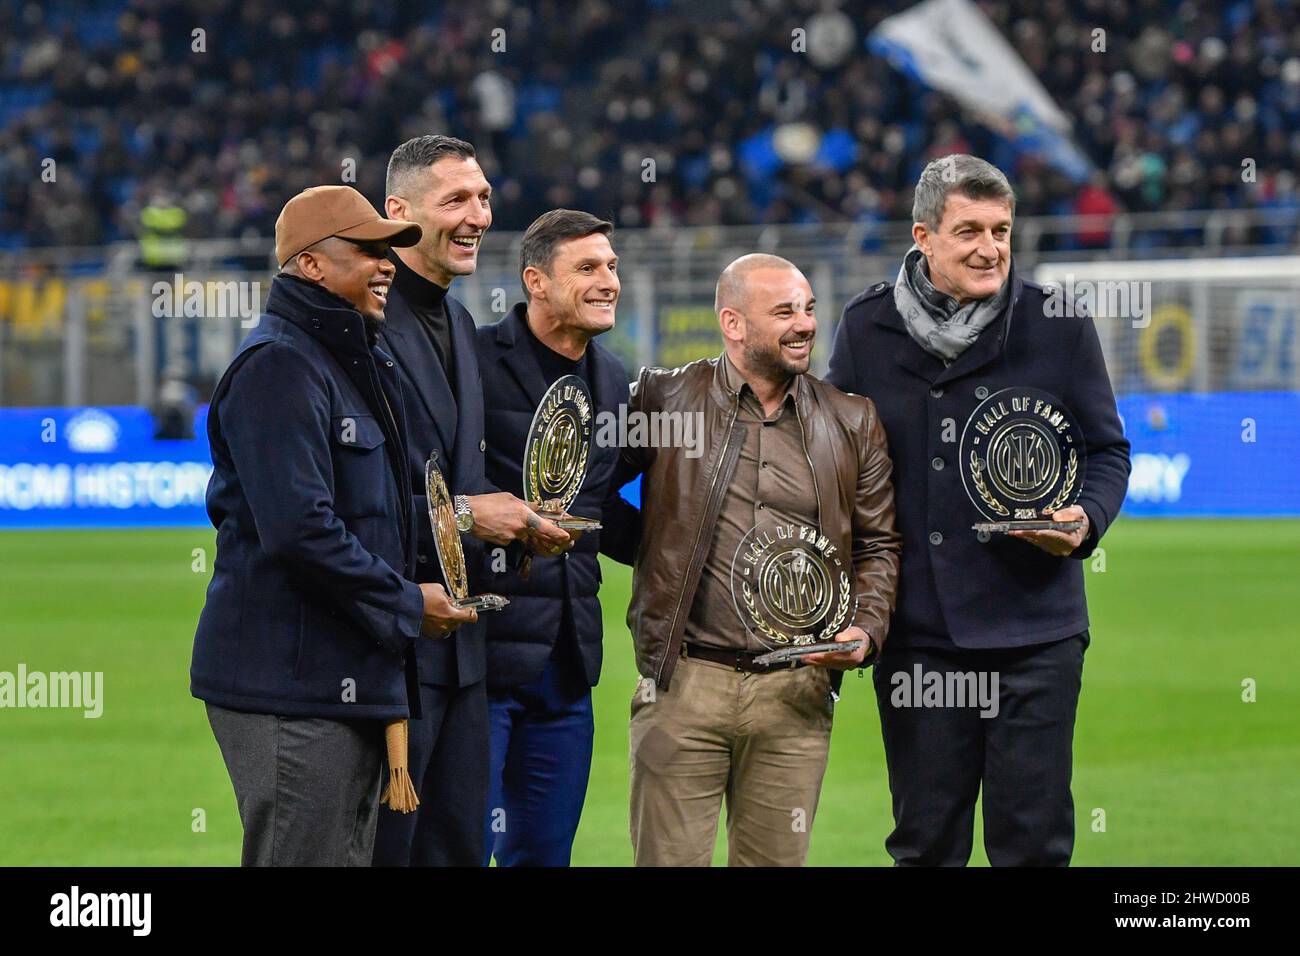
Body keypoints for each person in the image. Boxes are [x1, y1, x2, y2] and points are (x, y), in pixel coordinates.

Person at [827, 154, 1132, 866]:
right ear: (923, 236)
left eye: (1001, 230)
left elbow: (1107, 453)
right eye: (969, 231)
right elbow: (837, 465)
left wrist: (1085, 519)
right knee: (926, 844)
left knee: (1033, 844)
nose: (990, 248)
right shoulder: (868, 328)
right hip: (920, 635)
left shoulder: (1057, 323)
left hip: (1036, 632)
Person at [191, 185, 476, 866]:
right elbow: (300, 532)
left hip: (339, 678)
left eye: (390, 251)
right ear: (310, 265)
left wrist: (459, 521)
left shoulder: (347, 359)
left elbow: (365, 511)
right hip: (291, 688)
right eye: (369, 249)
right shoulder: (279, 367)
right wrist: (408, 601)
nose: (386, 265)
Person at [619, 253, 900, 866]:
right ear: (733, 323)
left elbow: (879, 546)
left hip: (795, 694)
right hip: (684, 686)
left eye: (808, 308)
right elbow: (587, 492)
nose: (804, 324)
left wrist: (868, 629)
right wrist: (650, 543)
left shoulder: (853, 420)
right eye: (784, 312)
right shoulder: (664, 400)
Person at [372, 135, 573, 867]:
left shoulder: (458, 321)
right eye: (455, 198)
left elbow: (443, 472)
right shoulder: (366, 321)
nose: (478, 214)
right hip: (389, 647)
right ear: (398, 211)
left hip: (461, 652)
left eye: (484, 197)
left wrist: (509, 516)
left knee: (455, 852)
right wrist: (465, 514)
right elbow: (351, 498)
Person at [475, 209, 641, 866]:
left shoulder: (613, 380)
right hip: (478, 661)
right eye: (589, 268)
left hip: (566, 664)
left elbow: (606, 515)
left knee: (544, 857)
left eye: (612, 268)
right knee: (457, 849)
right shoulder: (475, 362)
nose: (608, 282)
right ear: (535, 282)